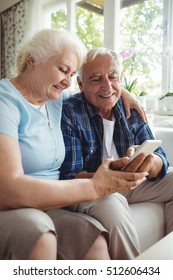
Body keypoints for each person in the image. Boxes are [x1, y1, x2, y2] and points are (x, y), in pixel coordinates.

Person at [0, 30, 148, 260]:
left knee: (94, 241)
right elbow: (8, 190)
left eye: (71, 73)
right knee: (40, 234)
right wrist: (96, 186)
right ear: (32, 61)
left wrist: (124, 93)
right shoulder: (5, 102)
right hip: (16, 205)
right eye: (62, 70)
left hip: (53, 202)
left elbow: (97, 87)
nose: (67, 81)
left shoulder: (53, 98)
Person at [60, 47, 173, 259]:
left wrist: (147, 162)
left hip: (131, 183)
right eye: (96, 79)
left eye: (113, 77)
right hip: (93, 187)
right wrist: (111, 175)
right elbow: (69, 176)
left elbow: (162, 161)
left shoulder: (129, 107)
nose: (107, 86)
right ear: (81, 84)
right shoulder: (69, 113)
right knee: (112, 201)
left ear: (120, 78)